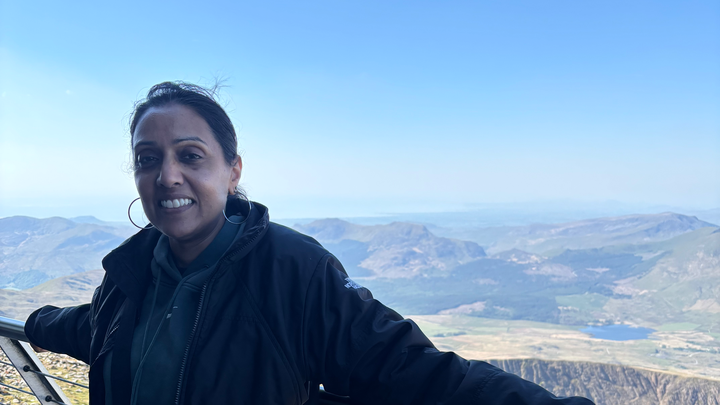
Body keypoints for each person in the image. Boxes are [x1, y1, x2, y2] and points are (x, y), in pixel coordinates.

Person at [24, 81, 594, 405]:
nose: (167, 175)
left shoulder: (292, 270)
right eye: (148, 159)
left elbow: (405, 367)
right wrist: (35, 321)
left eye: (190, 156)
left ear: (232, 170)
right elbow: (96, 327)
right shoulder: (130, 272)